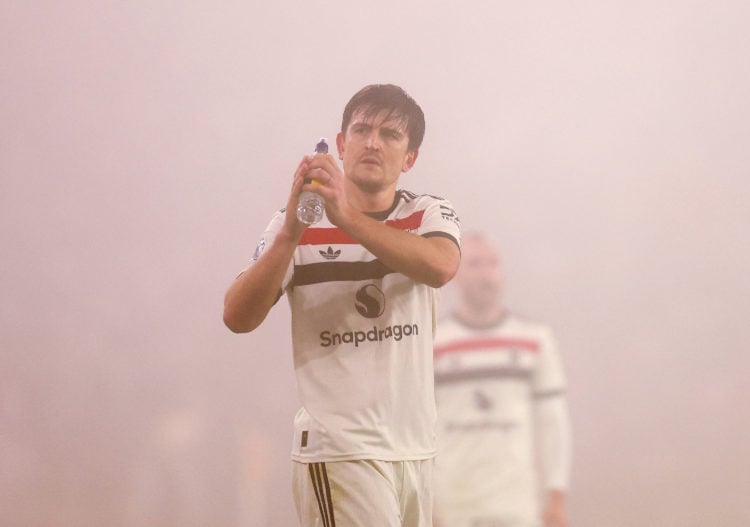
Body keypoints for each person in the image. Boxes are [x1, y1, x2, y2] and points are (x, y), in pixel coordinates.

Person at [223, 84, 461, 527]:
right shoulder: (293, 224)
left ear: (410, 158)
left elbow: (442, 267)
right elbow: (237, 316)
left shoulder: (429, 212)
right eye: (362, 129)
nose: (373, 141)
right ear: (340, 144)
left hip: (415, 450)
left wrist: (345, 216)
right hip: (341, 450)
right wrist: (290, 235)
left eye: (390, 135)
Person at [432, 231, 572, 527]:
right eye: (476, 264)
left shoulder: (534, 340)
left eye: (493, 264)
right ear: (455, 272)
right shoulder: (433, 344)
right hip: (455, 507)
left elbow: (553, 421)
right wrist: (427, 501)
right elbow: (419, 428)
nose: (487, 274)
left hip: (516, 505)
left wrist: (556, 496)